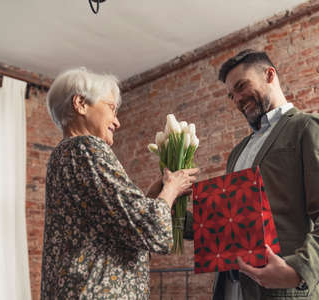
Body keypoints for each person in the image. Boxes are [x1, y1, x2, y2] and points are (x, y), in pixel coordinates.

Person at [186, 49, 319, 299]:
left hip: (283, 290)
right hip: (232, 288)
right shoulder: (237, 151)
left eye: (241, 87)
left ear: (270, 75)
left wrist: (299, 270)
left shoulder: (307, 126)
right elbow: (226, 226)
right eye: (231, 95)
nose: (237, 99)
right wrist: (170, 208)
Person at [40, 67, 199, 299]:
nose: (117, 122)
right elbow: (149, 229)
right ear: (81, 104)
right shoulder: (87, 148)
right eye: (111, 108)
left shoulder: (62, 155)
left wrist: (154, 196)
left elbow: (118, 224)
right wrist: (172, 188)